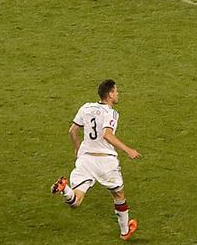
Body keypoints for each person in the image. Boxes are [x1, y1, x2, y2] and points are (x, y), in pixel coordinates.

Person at [50, 79, 141, 241]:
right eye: (116, 91)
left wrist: (77, 148)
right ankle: (125, 231)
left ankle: (64, 189)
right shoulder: (111, 113)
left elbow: (72, 131)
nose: (118, 94)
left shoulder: (86, 107)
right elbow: (107, 134)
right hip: (105, 161)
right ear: (110, 94)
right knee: (118, 195)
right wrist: (128, 150)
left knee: (76, 200)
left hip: (85, 160)